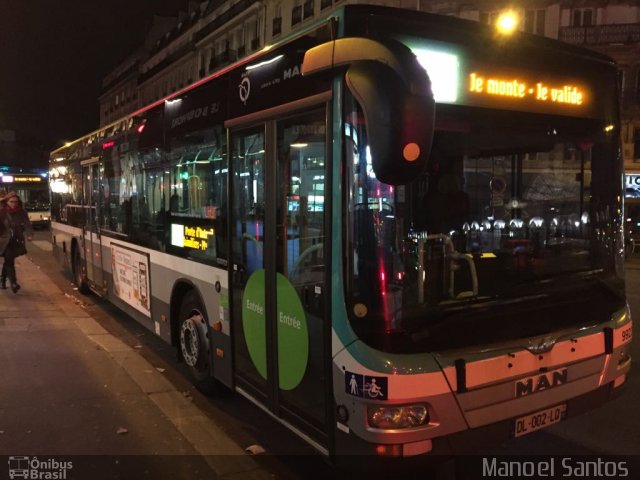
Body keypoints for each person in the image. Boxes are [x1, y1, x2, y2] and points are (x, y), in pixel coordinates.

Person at [0, 192, 33, 293]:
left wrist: (29, 234)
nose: (14, 204)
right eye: (12, 202)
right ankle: (14, 283)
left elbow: (27, 223)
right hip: (3, 241)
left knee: (8, 260)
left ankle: (2, 280)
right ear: (7, 202)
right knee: (9, 260)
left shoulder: (21, 212)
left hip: (16, 240)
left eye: (16, 202)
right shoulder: (2, 212)